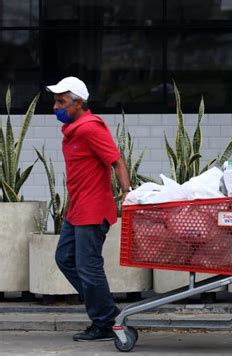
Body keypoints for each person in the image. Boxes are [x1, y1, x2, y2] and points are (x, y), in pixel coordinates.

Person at [46, 77, 132, 342]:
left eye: (61, 102)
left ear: (78, 103)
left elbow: (116, 161)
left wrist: (127, 193)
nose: (55, 107)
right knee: (65, 259)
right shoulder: (75, 129)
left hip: (93, 210)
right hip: (78, 209)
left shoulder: (90, 128)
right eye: (55, 101)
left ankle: (105, 321)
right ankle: (105, 312)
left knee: (88, 267)